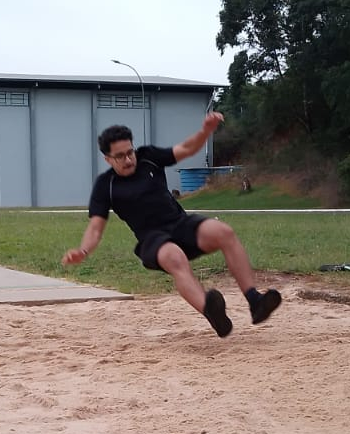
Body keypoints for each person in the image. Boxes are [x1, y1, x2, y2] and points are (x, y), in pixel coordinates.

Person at [62, 115, 280, 338]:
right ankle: (211, 312)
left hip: (180, 224)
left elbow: (186, 149)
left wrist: (205, 131)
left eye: (130, 152)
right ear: (108, 159)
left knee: (224, 232)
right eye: (120, 156)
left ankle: (255, 301)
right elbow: (96, 228)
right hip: (152, 240)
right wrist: (83, 250)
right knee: (175, 257)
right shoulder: (105, 185)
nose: (128, 160)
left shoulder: (149, 157)